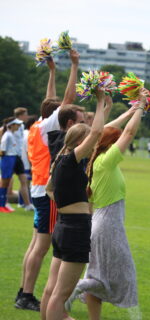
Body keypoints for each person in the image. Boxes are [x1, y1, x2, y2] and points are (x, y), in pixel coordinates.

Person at [65, 88, 149, 320]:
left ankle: (89, 306)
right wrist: (141, 106)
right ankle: (78, 289)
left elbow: (102, 131)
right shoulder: (107, 161)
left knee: (99, 272)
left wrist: (130, 110)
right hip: (108, 224)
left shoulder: (95, 159)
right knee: (125, 271)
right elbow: (129, 133)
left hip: (99, 223)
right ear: (112, 144)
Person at [15, 49, 79, 312]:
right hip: (45, 191)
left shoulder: (36, 125)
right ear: (54, 116)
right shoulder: (48, 126)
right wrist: (74, 66)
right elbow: (66, 99)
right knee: (41, 247)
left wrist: (52, 71)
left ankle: (23, 291)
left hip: (37, 187)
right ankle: (26, 295)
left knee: (34, 245)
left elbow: (50, 100)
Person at [40, 88, 105, 320]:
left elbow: (49, 189)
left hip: (63, 226)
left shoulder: (60, 159)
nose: (92, 144)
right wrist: (98, 100)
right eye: (87, 140)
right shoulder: (71, 159)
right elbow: (97, 131)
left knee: (52, 290)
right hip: (75, 228)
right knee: (61, 294)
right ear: (80, 141)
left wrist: (105, 106)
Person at [0, 117, 23, 212]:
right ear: (12, 125)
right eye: (17, 124)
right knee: (4, 182)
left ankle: (3, 204)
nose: (18, 126)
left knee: (7, 182)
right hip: (7, 159)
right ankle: (1, 205)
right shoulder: (7, 135)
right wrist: (5, 160)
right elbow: (2, 150)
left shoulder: (11, 134)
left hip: (11, 158)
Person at [13, 107, 34, 211]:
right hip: (23, 160)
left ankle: (22, 202)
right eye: (26, 114)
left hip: (20, 159)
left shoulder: (19, 127)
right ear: (20, 116)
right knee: (24, 182)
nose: (27, 116)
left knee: (24, 182)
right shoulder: (20, 127)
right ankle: (24, 203)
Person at [18, 115, 38, 207]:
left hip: (22, 161)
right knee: (26, 183)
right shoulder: (29, 134)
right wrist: (31, 164)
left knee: (24, 183)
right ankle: (26, 203)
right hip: (26, 163)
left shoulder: (24, 133)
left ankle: (21, 202)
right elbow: (28, 151)